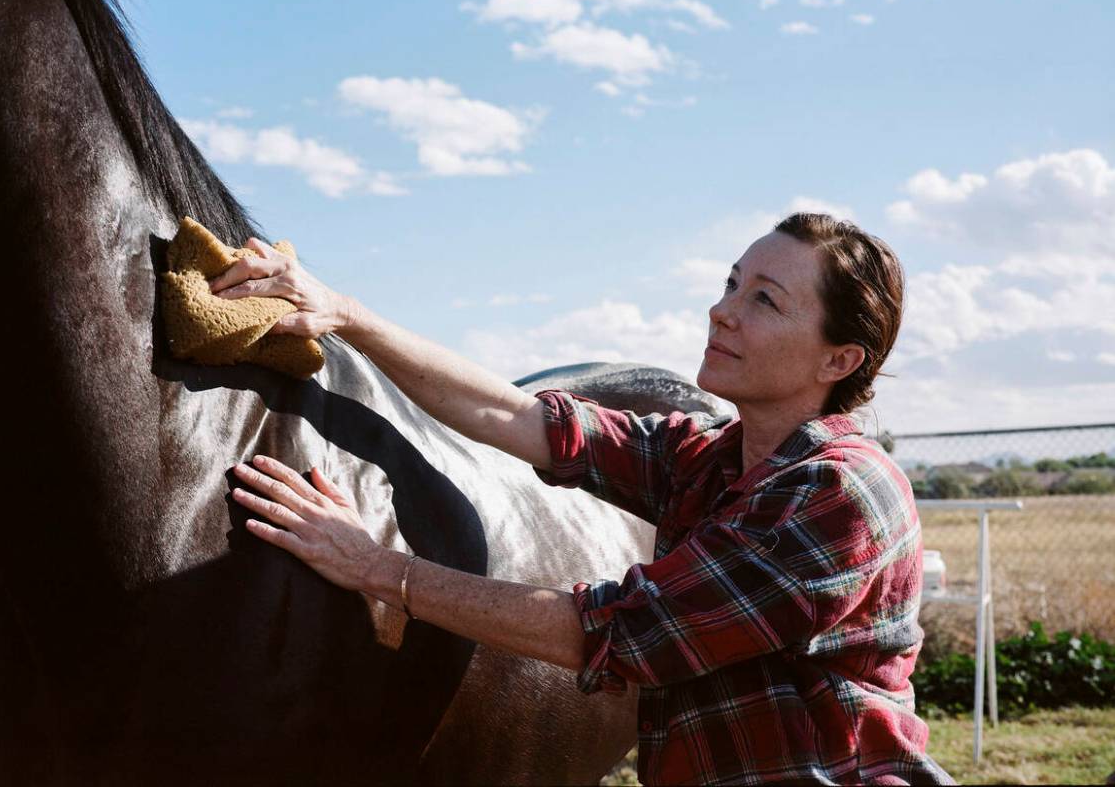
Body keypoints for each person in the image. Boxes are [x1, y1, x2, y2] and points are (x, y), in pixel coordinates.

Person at [213, 212, 954, 785]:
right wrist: (345, 313)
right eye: (731, 283)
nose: (722, 310)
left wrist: (381, 570)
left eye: (765, 300)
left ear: (839, 358)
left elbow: (615, 633)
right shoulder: (708, 457)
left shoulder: (838, 492)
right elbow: (521, 418)